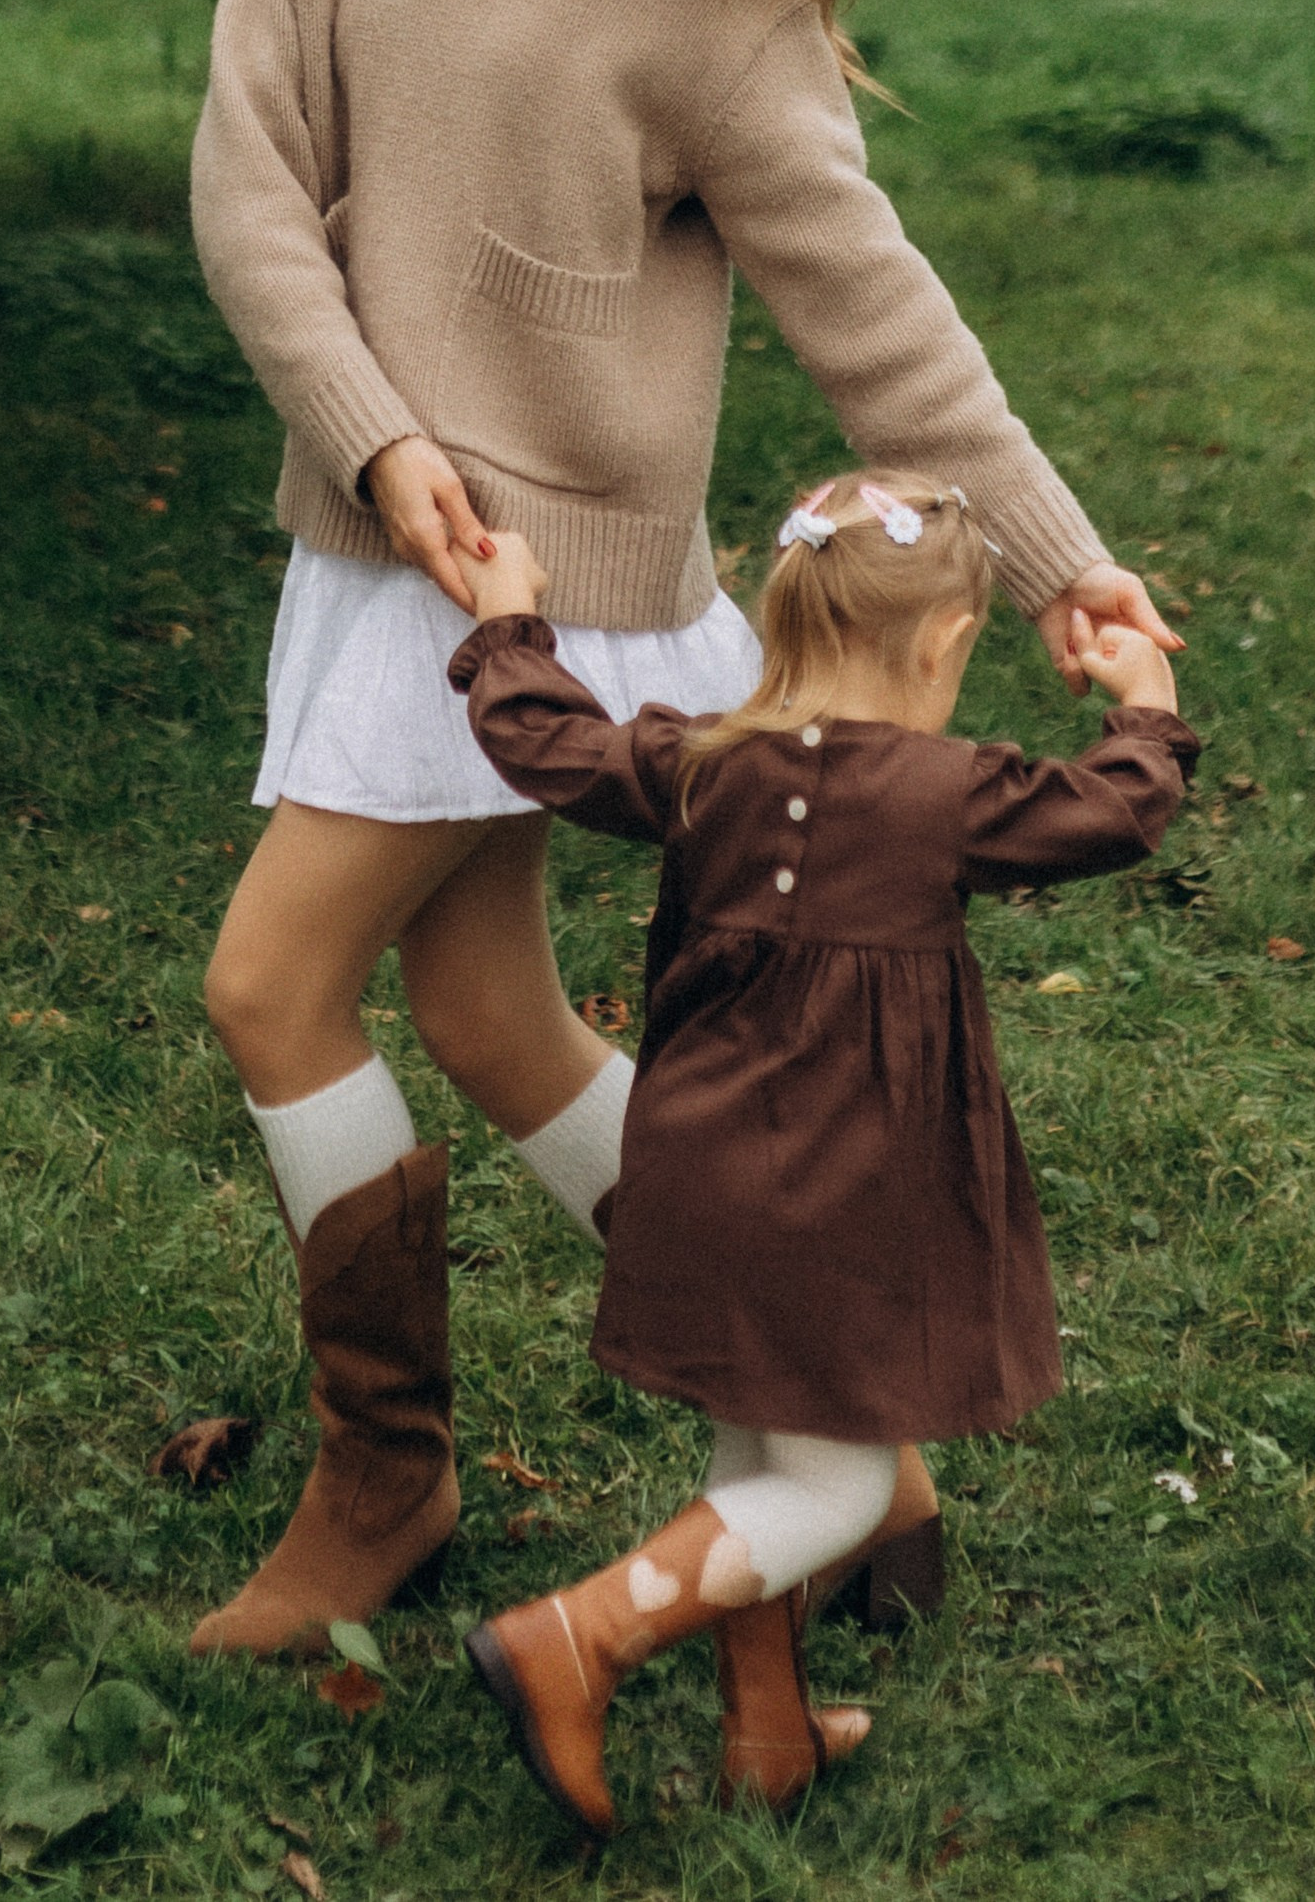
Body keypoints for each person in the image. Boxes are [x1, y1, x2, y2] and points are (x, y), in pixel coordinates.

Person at [185, 0, 1179, 1657]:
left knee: (271, 988)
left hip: (572, 576)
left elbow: (869, 300)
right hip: (392, 540)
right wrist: (382, 439)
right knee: (487, 1007)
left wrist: (1065, 566)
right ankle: (857, 1448)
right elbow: (254, 191)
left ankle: (390, 1479)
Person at [449, 475, 1197, 1839]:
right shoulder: (944, 796)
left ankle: (769, 1733)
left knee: (761, 1447)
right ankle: (577, 1640)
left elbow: (543, 741)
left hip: (689, 1166)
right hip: (837, 1192)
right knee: (839, 1483)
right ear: (940, 646)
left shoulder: (700, 765)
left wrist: (510, 627)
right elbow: (1114, 811)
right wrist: (1141, 701)